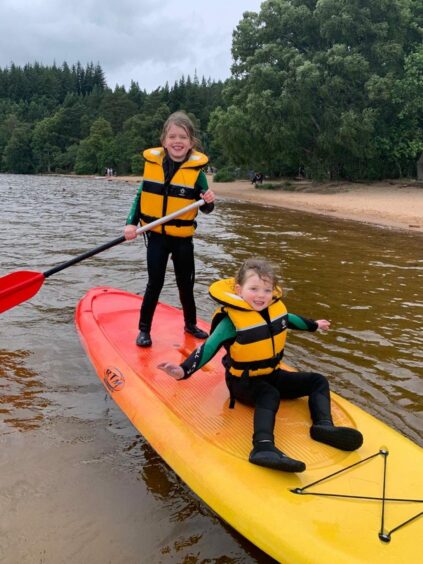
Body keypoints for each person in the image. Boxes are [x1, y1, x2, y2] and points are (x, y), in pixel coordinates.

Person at [158, 257, 363, 472]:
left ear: (273, 291)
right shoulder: (231, 322)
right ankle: (263, 447)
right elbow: (209, 348)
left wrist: (315, 325)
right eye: (254, 289)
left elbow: (292, 320)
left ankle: (323, 426)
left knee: (317, 381)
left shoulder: (276, 309)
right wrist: (183, 371)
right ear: (239, 290)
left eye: (266, 290)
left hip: (272, 374)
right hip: (243, 382)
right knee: (269, 394)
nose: (261, 295)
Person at [124, 111, 216, 347]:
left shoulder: (198, 174)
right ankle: (144, 330)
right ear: (164, 140)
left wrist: (209, 200)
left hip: (182, 240)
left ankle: (190, 324)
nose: (177, 141)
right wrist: (131, 224)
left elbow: (206, 208)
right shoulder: (153, 165)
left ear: (191, 143)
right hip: (156, 237)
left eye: (183, 137)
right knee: (154, 283)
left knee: (186, 284)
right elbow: (140, 197)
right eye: (172, 136)